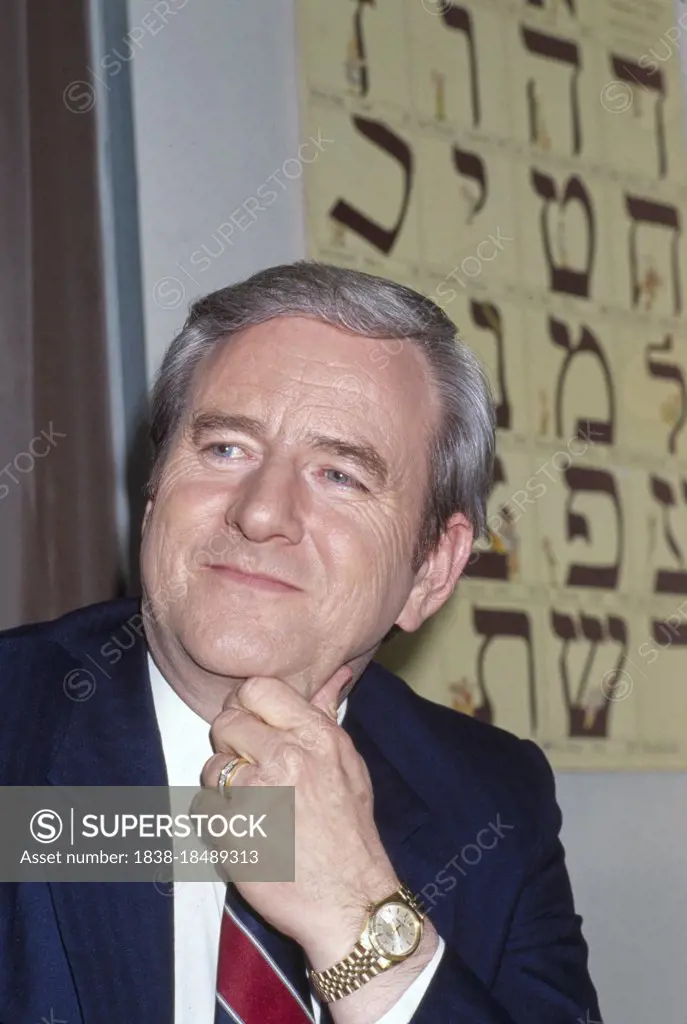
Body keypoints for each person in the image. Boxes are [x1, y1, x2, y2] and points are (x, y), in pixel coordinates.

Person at [0, 262, 601, 1023]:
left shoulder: (488, 800)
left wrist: (362, 929)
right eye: (225, 449)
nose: (261, 513)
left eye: (340, 474)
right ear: (154, 490)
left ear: (431, 569)